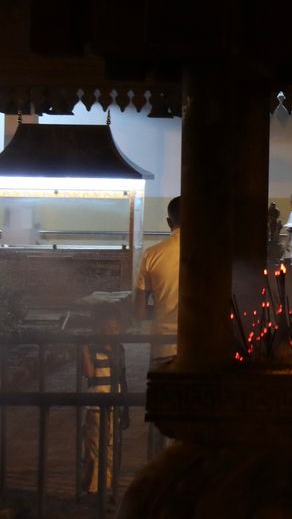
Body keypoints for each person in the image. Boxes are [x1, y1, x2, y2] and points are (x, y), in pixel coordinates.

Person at [80, 304, 129, 500]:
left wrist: (125, 408)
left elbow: (122, 378)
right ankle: (94, 488)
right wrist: (83, 349)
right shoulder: (93, 348)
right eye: (108, 328)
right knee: (94, 446)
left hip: (113, 405)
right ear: (99, 328)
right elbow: (89, 373)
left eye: (115, 328)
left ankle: (105, 487)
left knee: (109, 447)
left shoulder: (120, 350)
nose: (112, 331)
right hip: (96, 407)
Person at [135, 196, 181, 363]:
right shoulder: (212, 254)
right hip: (201, 344)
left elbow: (139, 311)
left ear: (169, 222)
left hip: (163, 344)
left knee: (163, 387)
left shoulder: (151, 254)